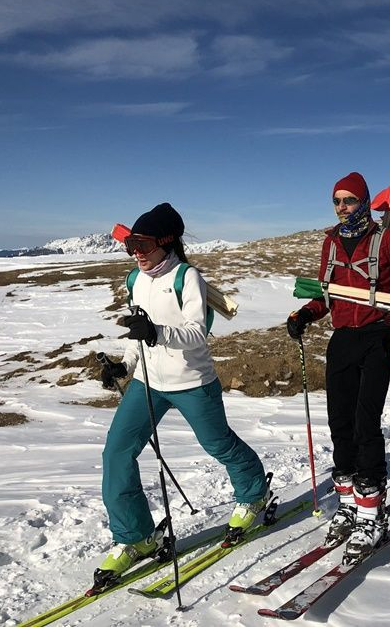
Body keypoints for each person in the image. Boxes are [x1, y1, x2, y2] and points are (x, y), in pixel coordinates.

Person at [96, 203, 268, 583]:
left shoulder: (187, 278)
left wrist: (157, 333)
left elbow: (196, 333)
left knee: (219, 444)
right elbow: (137, 330)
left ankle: (255, 494)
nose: (137, 252)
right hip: (147, 383)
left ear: (166, 242)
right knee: (116, 453)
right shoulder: (135, 280)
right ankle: (136, 537)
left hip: (192, 382)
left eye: (143, 244)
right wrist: (124, 366)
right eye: (131, 245)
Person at [286, 172, 390, 564]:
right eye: (337, 201)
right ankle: (348, 505)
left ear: (363, 202)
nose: (342, 207)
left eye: (349, 201)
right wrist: (306, 314)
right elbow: (326, 294)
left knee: (365, 424)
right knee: (339, 423)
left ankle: (370, 513)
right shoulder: (330, 242)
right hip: (342, 340)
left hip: (376, 337)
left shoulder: (388, 240)